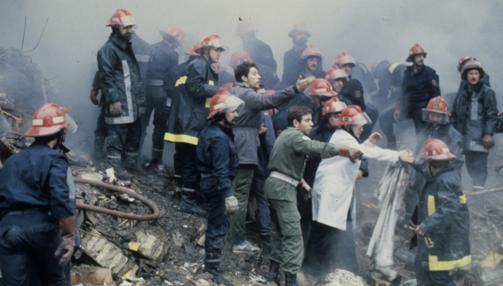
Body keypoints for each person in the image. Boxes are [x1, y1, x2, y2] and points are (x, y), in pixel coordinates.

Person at [264, 105, 363, 286]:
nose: (312, 124)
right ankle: (291, 280)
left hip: (279, 186)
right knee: (294, 237)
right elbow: (316, 147)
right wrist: (344, 150)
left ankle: (272, 273)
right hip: (282, 189)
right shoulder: (297, 137)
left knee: (280, 232)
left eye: (311, 119)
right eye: (307, 120)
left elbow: (284, 163)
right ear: (296, 123)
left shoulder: (286, 135)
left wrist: (302, 183)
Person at [310, 105, 413, 278]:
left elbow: (359, 150)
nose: (362, 127)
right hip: (331, 192)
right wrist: (397, 155)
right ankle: (319, 270)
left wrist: (369, 142)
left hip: (335, 192)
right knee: (326, 233)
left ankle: (324, 269)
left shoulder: (345, 137)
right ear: (348, 125)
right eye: (358, 124)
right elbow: (366, 153)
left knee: (327, 232)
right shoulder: (344, 138)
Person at [227, 62, 311, 254]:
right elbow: (267, 102)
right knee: (240, 196)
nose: (258, 77)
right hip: (244, 149)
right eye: (254, 74)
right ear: (243, 78)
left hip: (245, 146)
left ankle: (234, 235)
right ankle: (237, 240)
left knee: (240, 194)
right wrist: (294, 89)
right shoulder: (245, 93)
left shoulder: (239, 92)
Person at [0, 103, 77, 285]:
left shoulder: (12, 161)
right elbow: (60, 198)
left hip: (9, 232)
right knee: (55, 280)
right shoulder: (55, 158)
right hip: (41, 229)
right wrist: (68, 236)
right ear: (60, 134)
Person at [164, 34, 225, 215]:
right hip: (192, 122)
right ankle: (187, 201)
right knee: (191, 161)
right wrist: (219, 90)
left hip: (188, 120)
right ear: (206, 50)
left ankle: (182, 192)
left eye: (221, 50)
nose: (219, 53)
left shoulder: (201, 66)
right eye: (217, 49)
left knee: (184, 158)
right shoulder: (200, 65)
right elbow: (195, 88)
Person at [197, 90, 244, 286]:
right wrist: (229, 195)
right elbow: (221, 170)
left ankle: (212, 268)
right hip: (217, 185)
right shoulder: (220, 138)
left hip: (210, 183)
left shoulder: (212, 131)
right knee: (218, 226)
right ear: (221, 112)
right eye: (233, 111)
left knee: (216, 225)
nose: (237, 114)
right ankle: (212, 271)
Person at [413, 139, 471, 286]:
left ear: (430, 163)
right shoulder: (442, 175)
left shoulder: (445, 181)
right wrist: (412, 162)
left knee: (439, 278)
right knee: (426, 273)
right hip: (439, 237)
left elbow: (448, 208)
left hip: (445, 239)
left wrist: (425, 225)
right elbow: (426, 171)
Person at [97, 8, 145, 171]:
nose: (130, 31)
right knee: (116, 137)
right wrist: (113, 99)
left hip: (132, 104)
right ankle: (114, 171)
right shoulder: (107, 50)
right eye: (127, 28)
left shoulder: (126, 47)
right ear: (116, 29)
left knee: (134, 136)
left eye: (131, 27)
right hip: (121, 103)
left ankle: (130, 169)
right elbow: (106, 76)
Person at [451, 59, 498, 191]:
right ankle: (475, 186)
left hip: (480, 135)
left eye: (476, 73)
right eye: (470, 73)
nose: (473, 76)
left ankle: (480, 189)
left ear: (480, 75)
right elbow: (455, 113)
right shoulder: (462, 93)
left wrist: (488, 133)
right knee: (470, 162)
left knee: (480, 163)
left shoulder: (487, 92)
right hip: (465, 135)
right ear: (465, 76)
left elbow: (492, 114)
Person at [143, 27, 185, 171]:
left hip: (147, 91)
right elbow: (172, 77)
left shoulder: (151, 48)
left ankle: (133, 155)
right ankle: (156, 162)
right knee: (159, 127)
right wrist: (171, 95)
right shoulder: (173, 55)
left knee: (142, 124)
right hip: (163, 94)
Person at [397, 43, 440, 137]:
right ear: (412, 58)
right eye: (418, 56)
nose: (421, 58)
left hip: (422, 107)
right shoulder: (407, 73)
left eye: (422, 56)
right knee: (386, 117)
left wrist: (434, 113)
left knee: (421, 132)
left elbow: (436, 94)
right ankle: (395, 144)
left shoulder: (429, 73)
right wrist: (398, 107)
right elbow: (402, 91)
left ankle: (421, 146)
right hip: (407, 106)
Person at [333, 51, 378, 140]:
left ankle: (361, 139)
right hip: (339, 118)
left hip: (349, 116)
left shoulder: (354, 84)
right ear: (338, 67)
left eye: (349, 66)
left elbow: (359, 103)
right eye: (344, 66)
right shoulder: (332, 80)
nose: (347, 68)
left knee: (372, 111)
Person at [282, 23, 310, 87]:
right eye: (299, 34)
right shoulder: (287, 55)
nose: (302, 36)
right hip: (291, 90)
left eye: (305, 34)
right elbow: (285, 77)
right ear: (293, 36)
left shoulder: (312, 54)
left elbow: (317, 75)